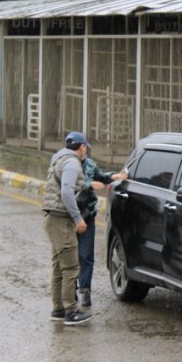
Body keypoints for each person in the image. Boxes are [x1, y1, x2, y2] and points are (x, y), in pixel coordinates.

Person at [42, 131, 93, 326]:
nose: (86, 150)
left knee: (58, 267)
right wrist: (78, 218)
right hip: (61, 220)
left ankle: (58, 309)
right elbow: (66, 191)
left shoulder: (59, 159)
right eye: (85, 147)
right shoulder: (72, 163)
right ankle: (71, 311)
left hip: (52, 218)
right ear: (81, 147)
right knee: (71, 267)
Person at [76, 155, 128, 307]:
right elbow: (66, 185)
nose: (84, 149)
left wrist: (114, 176)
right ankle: (69, 291)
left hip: (87, 215)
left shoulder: (90, 164)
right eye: (82, 146)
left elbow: (101, 176)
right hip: (69, 216)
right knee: (70, 256)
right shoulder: (67, 164)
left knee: (86, 256)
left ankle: (85, 291)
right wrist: (89, 185)